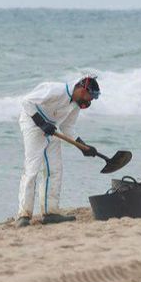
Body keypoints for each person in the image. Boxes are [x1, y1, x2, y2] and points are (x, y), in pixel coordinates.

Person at [15, 77, 101, 226]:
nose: (90, 101)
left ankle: (50, 213)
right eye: (90, 97)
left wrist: (82, 146)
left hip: (52, 128)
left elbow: (68, 127)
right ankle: (23, 215)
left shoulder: (75, 105)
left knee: (54, 169)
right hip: (32, 125)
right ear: (82, 89)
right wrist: (41, 122)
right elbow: (26, 102)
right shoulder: (55, 90)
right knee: (32, 169)